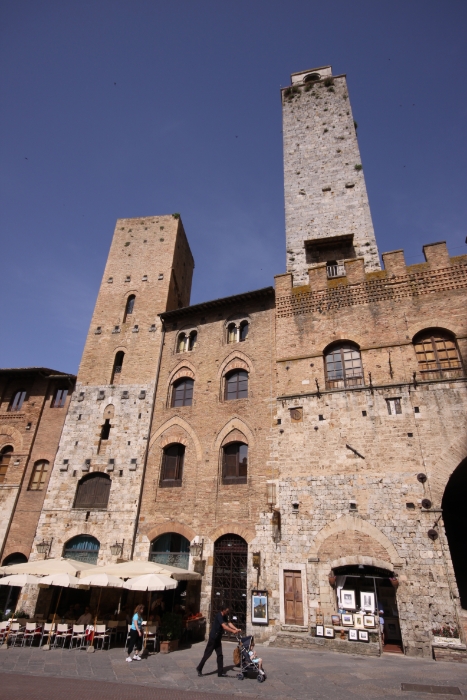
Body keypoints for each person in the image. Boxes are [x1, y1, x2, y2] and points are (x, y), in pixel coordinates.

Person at [196, 604, 241, 678]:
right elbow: (224, 627)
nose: (227, 612)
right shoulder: (219, 616)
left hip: (217, 638)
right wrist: (233, 631)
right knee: (207, 654)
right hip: (213, 638)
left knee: (220, 655)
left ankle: (220, 672)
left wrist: (236, 629)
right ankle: (199, 668)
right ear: (223, 610)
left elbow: (229, 623)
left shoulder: (224, 616)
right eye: (226, 611)